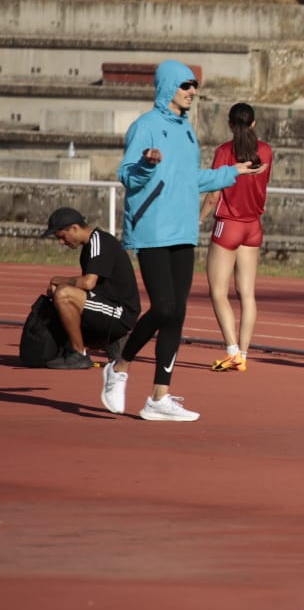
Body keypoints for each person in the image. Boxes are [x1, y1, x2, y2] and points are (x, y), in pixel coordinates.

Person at [101, 60, 265, 422]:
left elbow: (191, 179)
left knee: (177, 312)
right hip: (153, 229)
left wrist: (233, 172)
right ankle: (120, 365)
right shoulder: (145, 126)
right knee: (163, 307)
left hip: (183, 230)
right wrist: (146, 164)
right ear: (168, 87)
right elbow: (128, 175)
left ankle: (159, 396)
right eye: (186, 85)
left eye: (195, 86)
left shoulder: (187, 131)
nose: (193, 91)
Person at [199, 102, 273, 373]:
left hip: (228, 224)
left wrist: (198, 219)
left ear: (230, 124)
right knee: (247, 294)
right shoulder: (266, 151)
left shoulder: (224, 152)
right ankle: (243, 353)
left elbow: (213, 193)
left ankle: (232, 351)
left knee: (218, 291)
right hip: (253, 225)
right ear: (254, 123)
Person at [42, 207, 140, 369]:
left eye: (62, 237)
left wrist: (57, 280)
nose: (61, 242)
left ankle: (79, 354)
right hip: (108, 307)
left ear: (74, 228)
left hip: (121, 313)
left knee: (64, 294)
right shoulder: (90, 246)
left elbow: (88, 283)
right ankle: (109, 340)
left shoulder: (98, 241)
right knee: (60, 297)